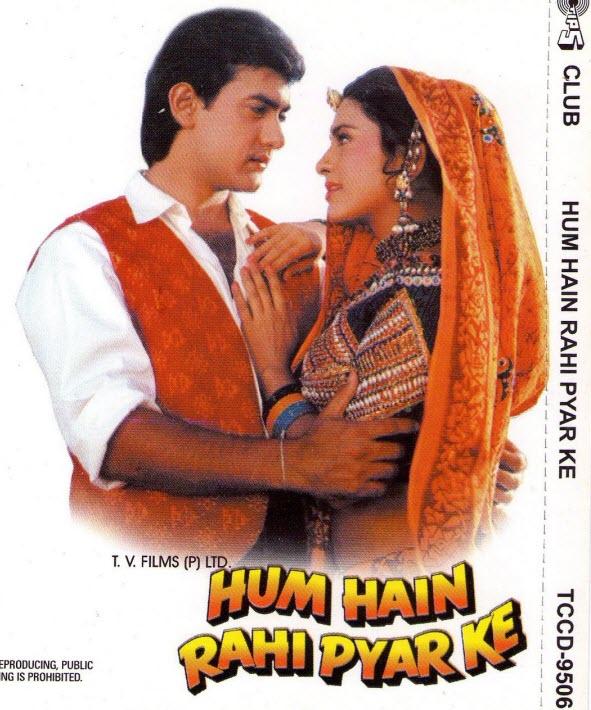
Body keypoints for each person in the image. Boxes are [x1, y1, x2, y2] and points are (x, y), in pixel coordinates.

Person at [17, 12, 419, 564]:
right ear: (185, 105)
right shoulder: (82, 250)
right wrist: (293, 464)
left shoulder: (291, 246)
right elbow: (114, 439)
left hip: (306, 570)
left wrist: (454, 445)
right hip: (156, 576)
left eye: (281, 115)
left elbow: (375, 376)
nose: (276, 138)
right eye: (257, 109)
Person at [235, 66, 547, 573]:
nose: (322, 162)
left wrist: (274, 374)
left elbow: (346, 475)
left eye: (343, 138)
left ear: (407, 156)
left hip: (391, 585)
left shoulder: (417, 299)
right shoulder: (407, 282)